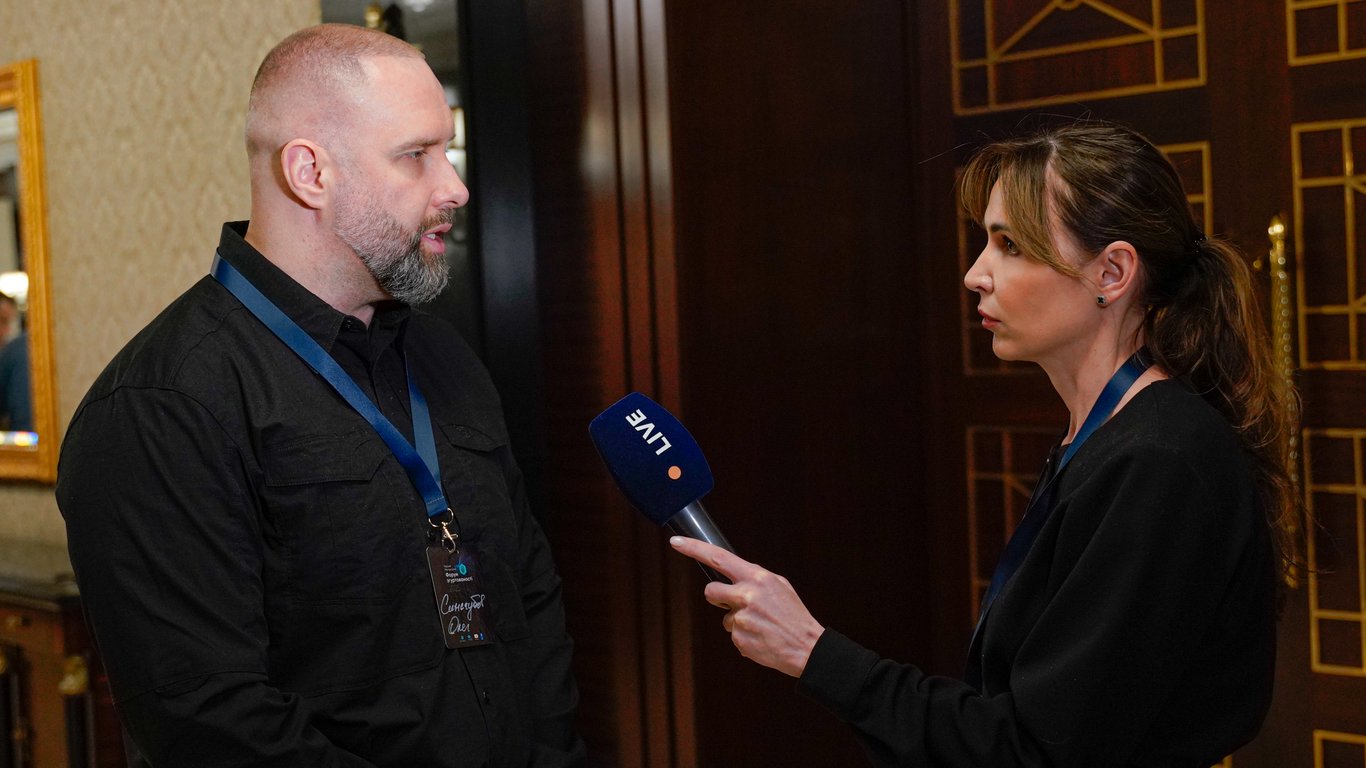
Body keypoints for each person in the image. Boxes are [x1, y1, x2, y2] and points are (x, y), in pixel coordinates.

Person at [671, 121, 1299, 766]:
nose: (976, 274)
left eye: (1011, 245)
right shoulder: (1106, 434)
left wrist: (811, 652)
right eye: (986, 242)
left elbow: (1033, 754)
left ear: (1112, 272)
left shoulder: (1158, 460)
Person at [57, 24, 585, 767]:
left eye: (448, 150)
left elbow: (529, 596)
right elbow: (209, 721)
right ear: (310, 173)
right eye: (417, 155)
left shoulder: (445, 357)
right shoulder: (162, 406)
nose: (456, 187)